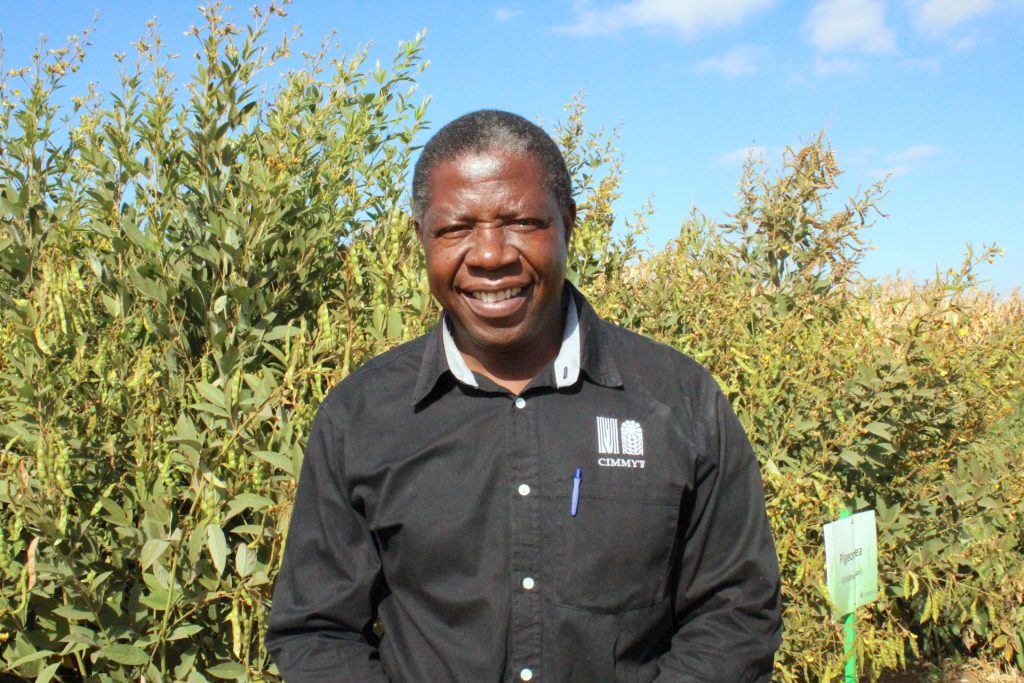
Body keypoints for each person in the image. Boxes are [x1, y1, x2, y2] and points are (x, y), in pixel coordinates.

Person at [266, 110, 782, 682]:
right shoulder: (360, 416)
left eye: (520, 222)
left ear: (568, 223)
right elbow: (317, 631)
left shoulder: (681, 403)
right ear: (421, 239)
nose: (490, 256)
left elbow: (735, 616)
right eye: (456, 228)